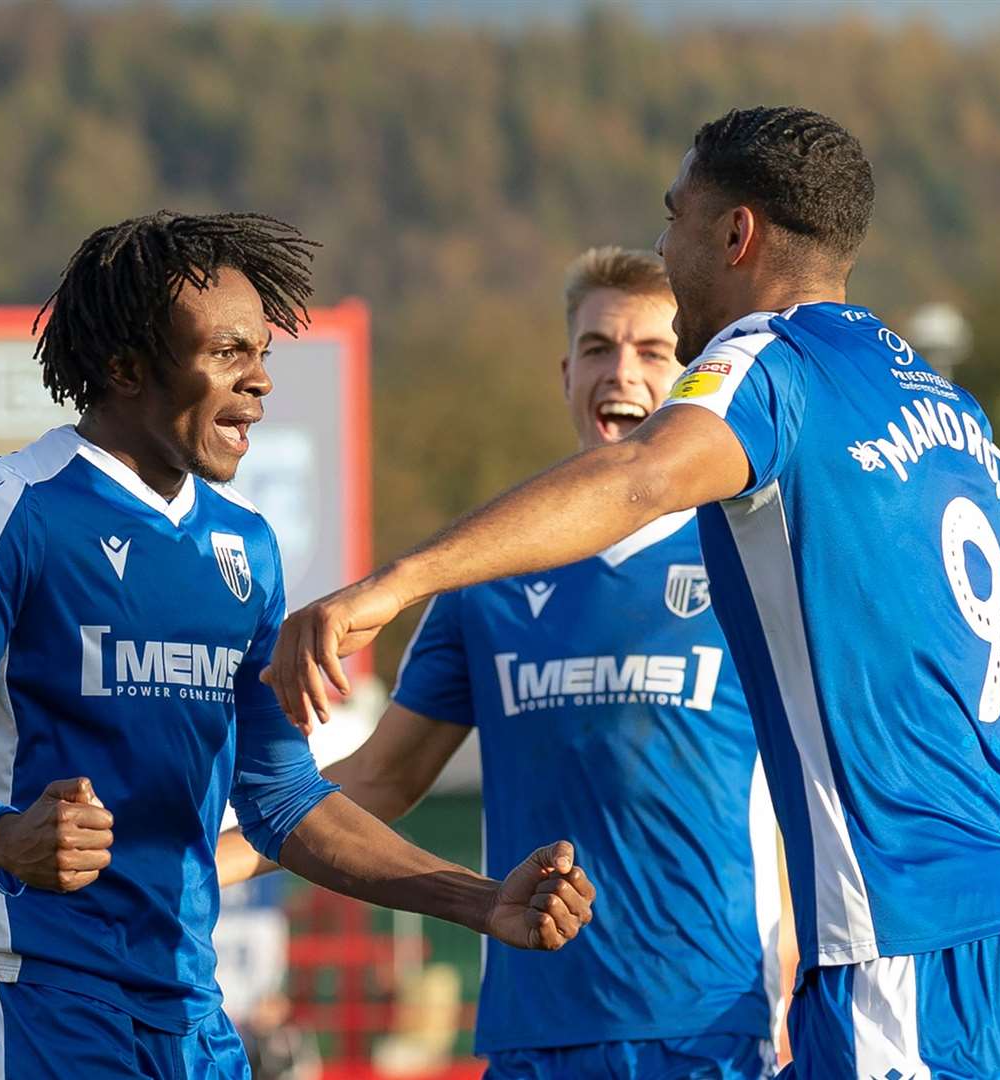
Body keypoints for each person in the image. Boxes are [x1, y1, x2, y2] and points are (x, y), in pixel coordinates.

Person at [266, 108, 1000, 1078]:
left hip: (903, 938)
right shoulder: (934, 406)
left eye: (672, 219)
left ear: (733, 235)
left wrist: (388, 585)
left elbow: (641, 478)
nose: (663, 245)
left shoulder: (763, 361)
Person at [0, 210, 595, 1080]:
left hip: (192, 1017)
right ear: (125, 366)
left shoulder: (245, 548)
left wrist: (481, 901)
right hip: (30, 1000)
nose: (258, 383)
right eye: (227, 353)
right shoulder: (2, 510)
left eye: (262, 355)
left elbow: (283, 800)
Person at [218, 247, 785, 1078]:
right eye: (597, 348)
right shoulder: (487, 576)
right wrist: (203, 868)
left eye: (651, 351)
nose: (620, 373)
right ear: (565, 373)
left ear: (694, 377)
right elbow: (382, 777)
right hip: (532, 1028)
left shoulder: (751, 559)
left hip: (715, 1024)